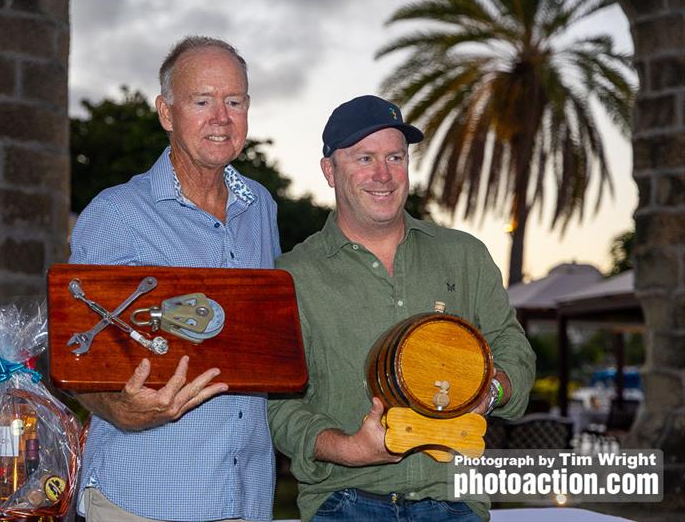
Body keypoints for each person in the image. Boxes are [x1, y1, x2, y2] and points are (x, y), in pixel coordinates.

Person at [268, 95, 536, 521]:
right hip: (343, 500)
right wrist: (347, 448)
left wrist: (491, 390)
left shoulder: (465, 256)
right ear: (329, 170)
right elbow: (277, 406)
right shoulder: (291, 276)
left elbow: (513, 348)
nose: (383, 174)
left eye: (395, 156)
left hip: (456, 500)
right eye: (364, 158)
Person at [69, 36, 280, 522]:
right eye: (201, 101)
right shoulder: (116, 213)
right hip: (145, 496)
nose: (221, 117)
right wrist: (119, 408)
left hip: (246, 496)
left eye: (234, 101)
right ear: (166, 113)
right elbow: (74, 350)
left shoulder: (260, 208)